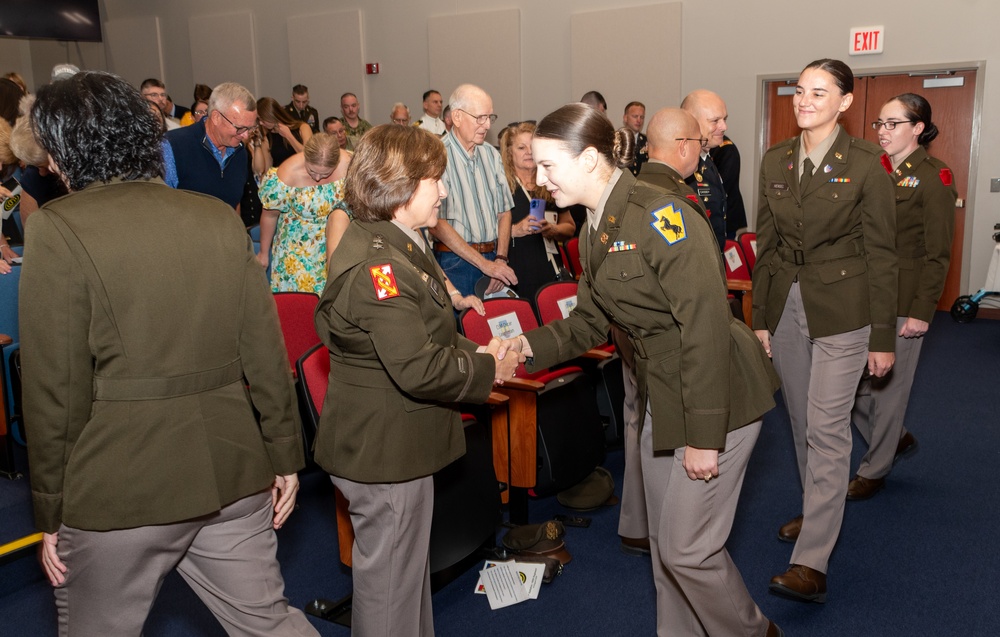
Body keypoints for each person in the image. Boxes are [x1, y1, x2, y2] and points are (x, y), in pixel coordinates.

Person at [21, 70, 318, 637]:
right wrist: (285, 455)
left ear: (65, 151)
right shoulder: (215, 218)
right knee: (271, 627)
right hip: (232, 470)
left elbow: (54, 391)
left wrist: (51, 510)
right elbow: (265, 350)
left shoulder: (57, 229)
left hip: (120, 486)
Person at [498, 102, 782, 637]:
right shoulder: (594, 226)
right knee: (665, 550)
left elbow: (704, 329)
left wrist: (705, 435)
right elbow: (587, 323)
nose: (538, 181)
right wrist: (518, 350)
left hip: (718, 395)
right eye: (534, 167)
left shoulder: (659, 215)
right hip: (662, 391)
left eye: (548, 166)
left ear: (588, 160)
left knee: (687, 550)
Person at [313, 124, 512, 635]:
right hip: (383, 452)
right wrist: (490, 366)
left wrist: (479, 351)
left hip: (396, 444)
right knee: (387, 597)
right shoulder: (381, 263)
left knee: (404, 584)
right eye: (435, 180)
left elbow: (432, 329)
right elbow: (418, 366)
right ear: (400, 186)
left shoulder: (399, 240)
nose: (444, 190)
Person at [753, 59, 897, 603]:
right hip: (788, 304)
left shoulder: (866, 162)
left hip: (844, 307)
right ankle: (819, 510)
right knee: (798, 422)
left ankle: (812, 560)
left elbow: (884, 253)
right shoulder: (775, 159)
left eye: (819, 92)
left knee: (827, 427)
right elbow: (766, 247)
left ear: (844, 103)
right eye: (799, 90)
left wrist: (883, 336)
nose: (804, 100)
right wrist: (761, 318)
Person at [848, 93, 956, 500]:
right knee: (854, 386)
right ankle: (894, 438)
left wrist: (922, 311)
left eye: (893, 123)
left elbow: (938, 252)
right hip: (865, 296)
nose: (883, 131)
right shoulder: (871, 170)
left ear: (918, 128)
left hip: (904, 301)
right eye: (879, 123)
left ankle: (874, 469)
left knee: (888, 388)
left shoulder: (934, 176)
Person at [428, 83, 517, 296]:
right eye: (480, 118)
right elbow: (435, 223)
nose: (487, 125)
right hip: (455, 262)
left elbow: (504, 212)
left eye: (490, 118)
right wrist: (484, 265)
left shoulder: (491, 155)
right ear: (457, 117)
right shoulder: (437, 155)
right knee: (462, 326)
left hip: (494, 257)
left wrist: (500, 259)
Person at [256, 132, 352, 293]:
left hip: (336, 246)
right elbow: (269, 215)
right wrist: (264, 253)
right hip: (297, 252)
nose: (317, 178)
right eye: (312, 171)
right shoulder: (286, 175)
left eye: (325, 174)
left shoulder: (350, 165)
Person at [498, 121, 575, 303]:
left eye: (532, 147)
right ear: (509, 153)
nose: (529, 152)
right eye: (521, 147)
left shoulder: (550, 184)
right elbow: (486, 233)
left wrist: (553, 230)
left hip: (549, 266)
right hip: (517, 266)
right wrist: (516, 230)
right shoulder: (502, 187)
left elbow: (570, 226)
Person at [163, 82, 257, 209]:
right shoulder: (172, 146)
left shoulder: (240, 153)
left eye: (250, 128)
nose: (245, 135)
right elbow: (160, 205)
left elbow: (234, 207)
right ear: (216, 117)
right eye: (240, 128)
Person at [681, 89, 731, 251]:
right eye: (715, 120)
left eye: (724, 119)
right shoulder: (682, 169)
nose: (724, 127)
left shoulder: (707, 161)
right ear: (691, 122)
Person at [257, 96, 314, 172]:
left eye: (262, 119)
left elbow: (309, 157)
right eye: (259, 120)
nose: (260, 123)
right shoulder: (268, 138)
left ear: (271, 116)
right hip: (281, 180)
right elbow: (268, 169)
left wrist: (289, 136)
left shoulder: (302, 128)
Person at [623, 101, 648, 175]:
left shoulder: (647, 141)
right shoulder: (616, 140)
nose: (639, 120)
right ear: (625, 118)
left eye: (642, 117)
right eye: (635, 116)